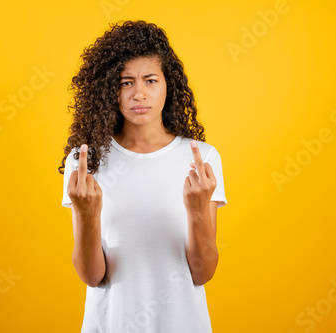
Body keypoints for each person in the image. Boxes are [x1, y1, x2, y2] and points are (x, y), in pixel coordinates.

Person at [59, 20, 228, 333]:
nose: (139, 94)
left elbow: (203, 272)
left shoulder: (202, 159)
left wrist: (197, 210)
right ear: (110, 90)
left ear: (168, 85)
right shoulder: (85, 162)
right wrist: (87, 215)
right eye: (126, 83)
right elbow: (92, 276)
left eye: (150, 80)